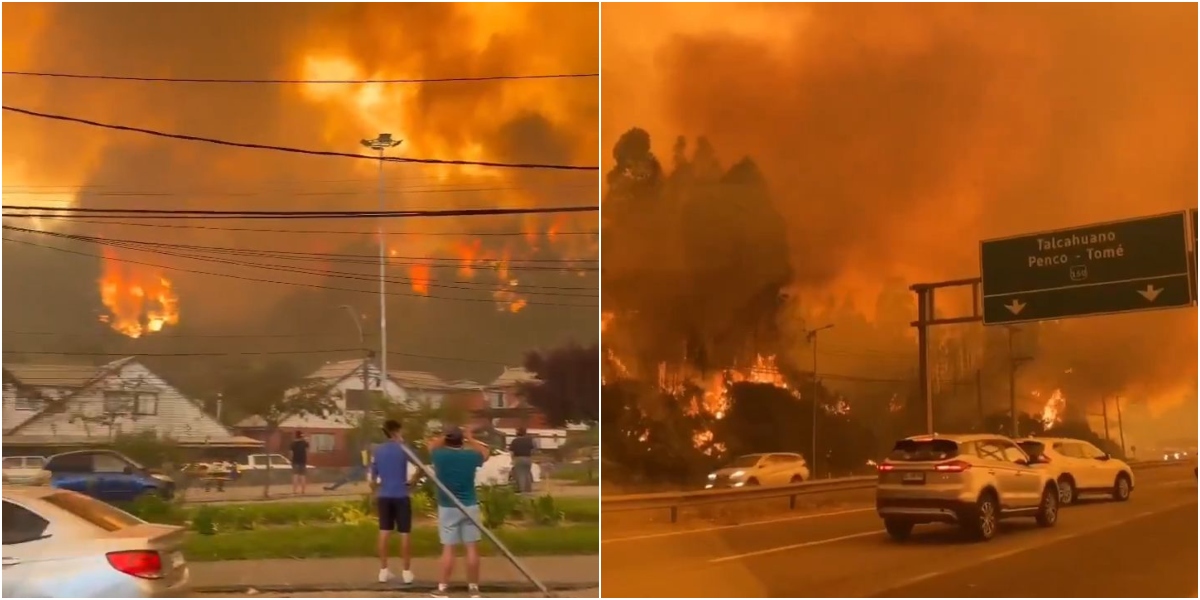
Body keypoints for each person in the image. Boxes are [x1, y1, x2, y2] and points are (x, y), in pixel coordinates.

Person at [428, 426, 489, 598]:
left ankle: (442, 588)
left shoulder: (439, 456)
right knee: (471, 547)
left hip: (447, 506)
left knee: (449, 548)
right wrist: (470, 438)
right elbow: (485, 453)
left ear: (447, 440)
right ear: (461, 441)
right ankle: (474, 588)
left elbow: (431, 446)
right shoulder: (470, 456)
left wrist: (443, 435)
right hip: (469, 505)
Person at [372, 419, 415, 584]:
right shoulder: (403, 449)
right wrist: (413, 481)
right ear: (397, 431)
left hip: (384, 495)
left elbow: (372, 476)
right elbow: (420, 466)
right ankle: (406, 572)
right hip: (401, 495)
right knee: (404, 533)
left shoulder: (378, 451)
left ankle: (383, 571)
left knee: (384, 532)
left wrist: (374, 491)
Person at [508, 427, 536, 494]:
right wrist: (530, 455)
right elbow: (534, 449)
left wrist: (512, 460)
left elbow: (511, 452)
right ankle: (528, 490)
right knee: (527, 473)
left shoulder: (515, 441)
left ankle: (522, 490)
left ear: (518, 432)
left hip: (518, 458)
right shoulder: (530, 440)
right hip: (528, 458)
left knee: (520, 474)